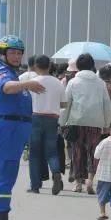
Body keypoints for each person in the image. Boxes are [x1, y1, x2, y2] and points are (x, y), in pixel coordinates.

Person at [0, 35, 45, 220]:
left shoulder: (12, 73)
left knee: (5, 174)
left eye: (19, 53)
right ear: (2, 54)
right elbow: (7, 88)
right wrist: (27, 85)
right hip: (8, 129)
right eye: (12, 52)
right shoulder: (3, 73)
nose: (16, 56)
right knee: (5, 174)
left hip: (14, 129)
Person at [63, 54, 111, 194]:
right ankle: (90, 181)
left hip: (76, 121)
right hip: (96, 122)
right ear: (92, 65)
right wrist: (106, 123)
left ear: (77, 66)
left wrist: (62, 121)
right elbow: (107, 104)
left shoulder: (73, 82)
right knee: (93, 152)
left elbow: (67, 104)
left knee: (78, 152)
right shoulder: (100, 82)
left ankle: (78, 184)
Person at [26, 55, 66, 194]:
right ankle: (56, 172)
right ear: (49, 66)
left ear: (35, 66)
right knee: (51, 151)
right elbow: (64, 104)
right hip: (52, 118)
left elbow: (26, 102)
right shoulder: (58, 83)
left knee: (35, 153)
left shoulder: (32, 82)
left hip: (35, 117)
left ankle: (35, 186)